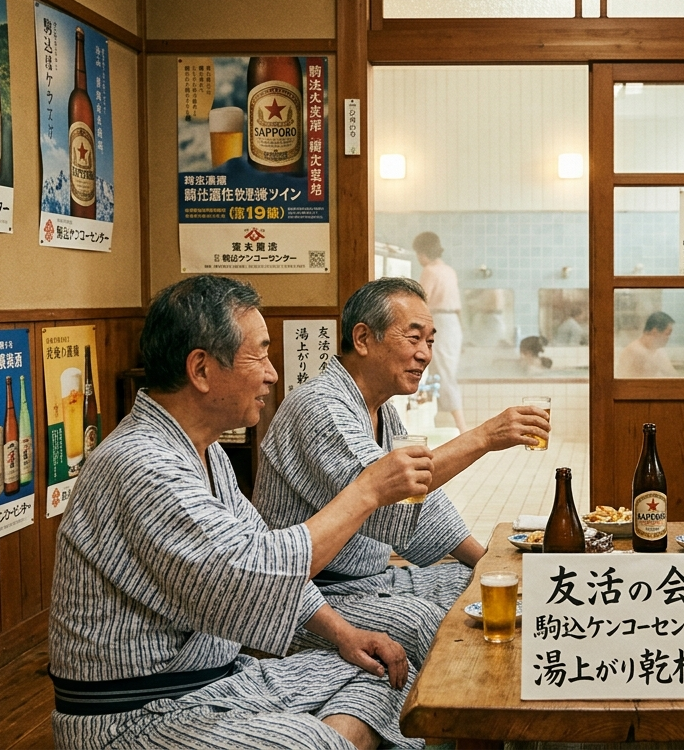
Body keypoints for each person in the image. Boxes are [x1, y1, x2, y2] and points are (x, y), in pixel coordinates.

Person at [49, 276, 432, 750]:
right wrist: (367, 490)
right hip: (136, 715)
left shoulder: (206, 454)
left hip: (219, 685)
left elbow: (261, 555)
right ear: (202, 369)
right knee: (313, 744)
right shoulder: (142, 463)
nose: (272, 374)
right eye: (260, 355)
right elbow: (256, 576)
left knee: (386, 675)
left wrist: (344, 634)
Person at [255, 277, 551, 668]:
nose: (425, 354)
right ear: (363, 338)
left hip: (370, 583)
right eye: (413, 338)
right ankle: (462, 720)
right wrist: (484, 436)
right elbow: (386, 498)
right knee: (422, 622)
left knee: (499, 591)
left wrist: (487, 566)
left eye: (430, 341)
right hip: (310, 600)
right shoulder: (317, 406)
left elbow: (423, 507)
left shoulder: (384, 411)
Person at [413, 231, 467, 433]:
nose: (418, 258)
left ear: (424, 252)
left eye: (418, 253)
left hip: (439, 322)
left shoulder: (430, 271)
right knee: (441, 372)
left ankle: (462, 427)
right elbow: (458, 306)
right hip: (452, 323)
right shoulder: (448, 270)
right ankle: (433, 420)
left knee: (443, 374)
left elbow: (420, 301)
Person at [617, 311, 678, 378]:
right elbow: (622, 380)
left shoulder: (659, 350)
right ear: (655, 332)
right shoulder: (633, 351)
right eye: (667, 334)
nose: (669, 338)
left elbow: (674, 376)